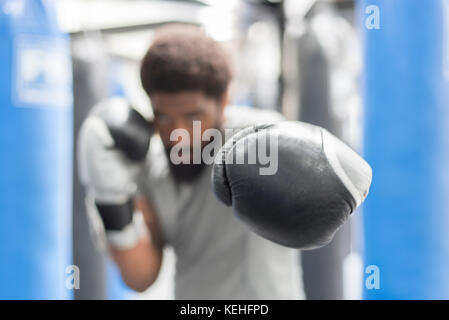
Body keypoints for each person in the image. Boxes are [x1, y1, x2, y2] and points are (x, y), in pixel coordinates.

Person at [78, 24, 371, 299]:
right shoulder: (147, 166)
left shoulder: (260, 140)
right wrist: (110, 199)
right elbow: (140, 277)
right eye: (164, 117)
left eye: (193, 117)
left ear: (225, 100)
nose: (179, 134)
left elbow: (353, 176)